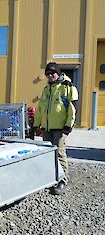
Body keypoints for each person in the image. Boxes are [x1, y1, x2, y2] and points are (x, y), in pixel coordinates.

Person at [33, 62, 78, 194]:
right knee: (48, 154)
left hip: (60, 128)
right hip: (47, 128)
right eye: (48, 74)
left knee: (59, 153)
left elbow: (73, 108)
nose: (50, 75)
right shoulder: (47, 89)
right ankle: (51, 178)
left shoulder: (68, 87)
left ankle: (62, 180)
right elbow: (40, 109)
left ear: (58, 72)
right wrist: (36, 125)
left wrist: (68, 126)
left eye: (53, 73)